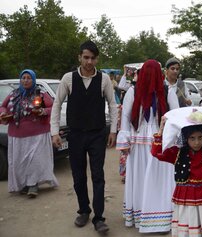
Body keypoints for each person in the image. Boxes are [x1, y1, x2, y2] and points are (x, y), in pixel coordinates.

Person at [50, 40, 118, 233]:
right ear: (79, 57)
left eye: (93, 58)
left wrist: (113, 130)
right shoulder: (68, 79)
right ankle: (84, 210)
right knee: (78, 176)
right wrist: (54, 132)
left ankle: (99, 218)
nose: (89, 62)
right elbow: (57, 105)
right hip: (76, 134)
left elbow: (113, 106)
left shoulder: (104, 79)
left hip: (97, 134)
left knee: (98, 176)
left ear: (97, 59)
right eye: (86, 57)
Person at [151, 107, 202, 237]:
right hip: (186, 196)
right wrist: (161, 130)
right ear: (185, 138)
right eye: (192, 138)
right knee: (189, 221)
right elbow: (157, 153)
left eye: (200, 137)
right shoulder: (178, 153)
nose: (197, 142)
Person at [116, 59, 175, 233]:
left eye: (154, 72)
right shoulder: (133, 91)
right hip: (138, 142)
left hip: (160, 143)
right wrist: (125, 140)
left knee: (159, 180)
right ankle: (142, 215)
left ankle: (161, 218)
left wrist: (173, 140)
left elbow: (175, 116)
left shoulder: (167, 91)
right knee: (141, 179)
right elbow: (126, 117)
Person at [0, 69, 58, 198]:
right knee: (20, 162)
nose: (25, 80)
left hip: (37, 134)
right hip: (17, 135)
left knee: (34, 161)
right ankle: (25, 184)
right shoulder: (13, 94)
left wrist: (42, 111)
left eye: (28, 78)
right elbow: (3, 106)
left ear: (33, 80)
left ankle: (33, 185)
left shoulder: (41, 94)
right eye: (23, 78)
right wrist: (3, 114)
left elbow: (52, 107)